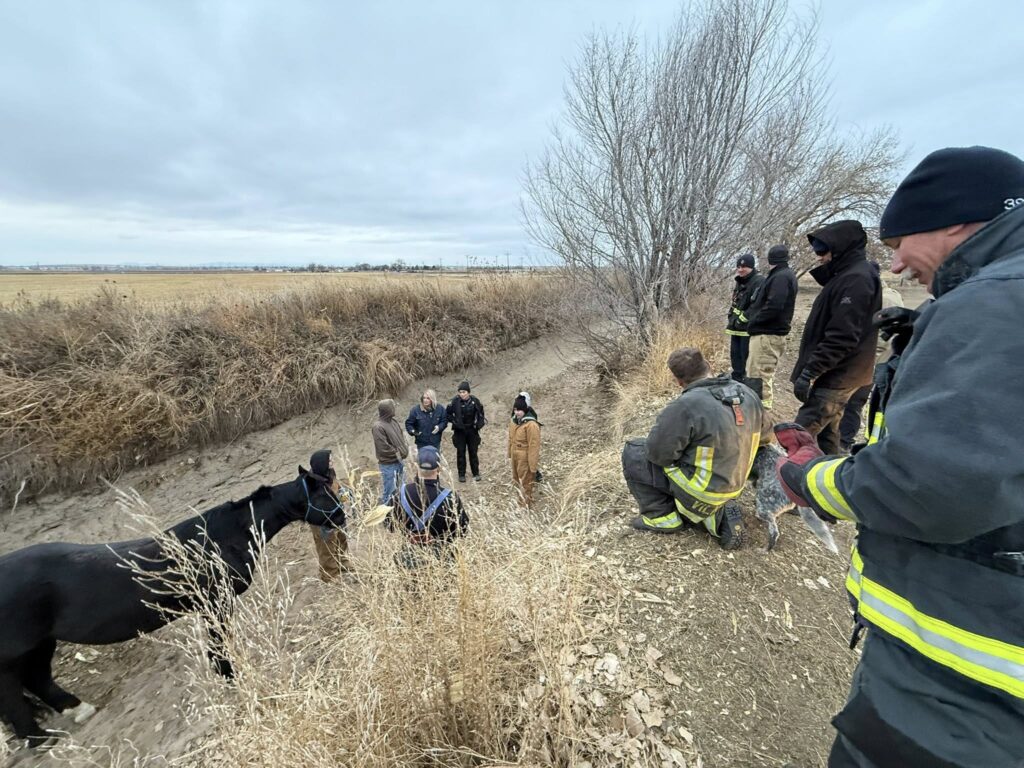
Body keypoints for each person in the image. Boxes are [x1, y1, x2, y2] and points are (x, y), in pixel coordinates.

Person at [775, 146, 1024, 767]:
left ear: (956, 222)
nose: (897, 261)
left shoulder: (995, 305)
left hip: (962, 680)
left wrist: (809, 479)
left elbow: (926, 485)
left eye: (901, 239)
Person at [622, 348, 764, 550]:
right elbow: (766, 437)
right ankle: (714, 517)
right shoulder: (748, 393)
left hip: (703, 490)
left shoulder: (685, 406)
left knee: (635, 450)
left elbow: (657, 454)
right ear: (710, 367)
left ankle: (662, 517)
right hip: (735, 485)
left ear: (678, 381)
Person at [790, 221, 881, 454]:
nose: (819, 258)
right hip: (839, 372)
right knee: (828, 438)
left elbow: (842, 336)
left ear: (841, 248)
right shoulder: (846, 275)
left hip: (840, 375)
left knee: (798, 436)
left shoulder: (857, 280)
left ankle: (785, 487)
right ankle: (830, 480)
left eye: (822, 251)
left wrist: (811, 371)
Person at [837, 264, 904, 452]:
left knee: (854, 402)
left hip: (874, 361)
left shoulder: (885, 298)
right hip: (873, 360)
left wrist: (863, 360)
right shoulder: (883, 293)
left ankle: (844, 442)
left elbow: (882, 338)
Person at [388, 445, 468, 561]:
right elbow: (462, 530)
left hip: (410, 558)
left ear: (416, 466)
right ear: (439, 469)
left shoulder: (399, 494)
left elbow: (390, 525)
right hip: (442, 559)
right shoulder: (450, 498)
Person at [744, 244, 798, 409]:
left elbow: (774, 306)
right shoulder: (784, 275)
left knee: (758, 378)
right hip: (768, 335)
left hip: (767, 336)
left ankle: (760, 419)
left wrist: (753, 322)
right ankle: (758, 416)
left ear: (769, 259)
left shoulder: (781, 277)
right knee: (756, 376)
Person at [307, 449, 351, 581]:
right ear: (322, 464)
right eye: (329, 460)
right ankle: (330, 574)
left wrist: (344, 497)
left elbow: (337, 486)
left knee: (341, 539)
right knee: (327, 546)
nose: (332, 462)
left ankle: (342, 563)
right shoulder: (311, 483)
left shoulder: (329, 472)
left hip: (337, 513)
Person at [726, 253, 765, 382]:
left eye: (744, 267)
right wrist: (732, 318)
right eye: (738, 266)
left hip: (748, 329)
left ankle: (745, 383)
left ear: (752, 267)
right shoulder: (740, 280)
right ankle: (736, 380)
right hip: (735, 327)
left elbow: (756, 305)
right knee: (735, 356)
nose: (740, 269)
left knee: (746, 357)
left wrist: (742, 319)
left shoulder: (759, 281)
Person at [446, 381, 486, 482]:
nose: (462, 394)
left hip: (472, 430)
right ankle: (461, 474)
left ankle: (476, 473)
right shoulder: (455, 402)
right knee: (460, 452)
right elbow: (447, 414)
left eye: (464, 392)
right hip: (460, 431)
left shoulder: (475, 401)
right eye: (460, 392)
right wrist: (455, 421)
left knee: (473, 452)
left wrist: (479, 425)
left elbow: (481, 413)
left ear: (468, 392)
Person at [372, 398, 409, 505]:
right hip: (388, 465)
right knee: (389, 492)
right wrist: (399, 453)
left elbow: (401, 438)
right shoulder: (378, 427)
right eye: (393, 407)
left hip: (400, 462)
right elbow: (384, 448)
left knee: (402, 489)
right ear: (388, 410)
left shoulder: (393, 422)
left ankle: (400, 511)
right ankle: (387, 517)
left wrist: (404, 450)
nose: (395, 409)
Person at [508, 392, 541, 507]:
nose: (517, 412)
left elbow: (534, 445)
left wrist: (533, 465)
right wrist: (510, 453)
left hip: (524, 456)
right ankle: (520, 500)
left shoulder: (531, 424)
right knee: (516, 479)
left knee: (526, 481)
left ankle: (525, 505)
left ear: (526, 409)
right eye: (515, 409)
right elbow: (510, 437)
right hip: (515, 454)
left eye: (520, 410)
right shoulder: (514, 420)